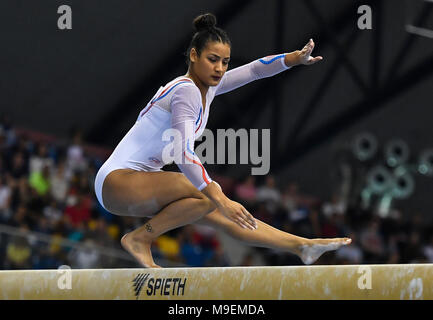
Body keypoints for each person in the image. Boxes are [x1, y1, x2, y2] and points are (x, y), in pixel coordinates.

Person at [94, 13, 352, 268]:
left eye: (225, 62)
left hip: (135, 184)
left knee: (221, 213)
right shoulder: (186, 91)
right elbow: (183, 154)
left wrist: (291, 59)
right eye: (212, 59)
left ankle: (300, 246)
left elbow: (253, 70)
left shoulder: (207, 88)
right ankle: (141, 238)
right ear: (194, 55)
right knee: (210, 197)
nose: (219, 68)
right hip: (118, 181)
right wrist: (222, 198)